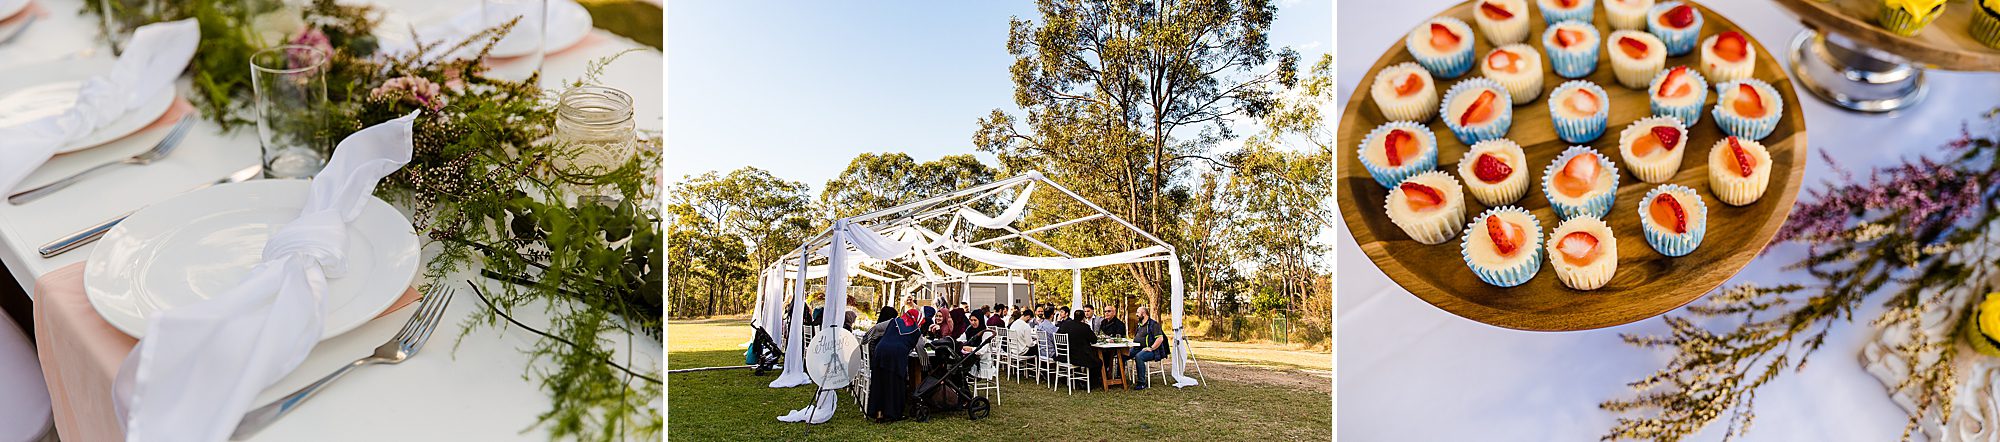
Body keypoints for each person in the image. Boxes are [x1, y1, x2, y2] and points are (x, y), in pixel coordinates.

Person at [868, 307, 923, 422]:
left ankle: (878, 413)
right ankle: (892, 413)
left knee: (879, 382)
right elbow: (920, 348)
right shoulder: (916, 331)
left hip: (880, 351)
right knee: (894, 384)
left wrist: (866, 338)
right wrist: (925, 362)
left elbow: (877, 327)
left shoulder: (894, 321)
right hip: (896, 356)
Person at [1055, 309, 1102, 390]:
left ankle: (1079, 380)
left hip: (1064, 356)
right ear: (1083, 318)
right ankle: (1089, 384)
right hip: (1077, 357)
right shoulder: (1085, 327)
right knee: (1098, 362)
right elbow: (1094, 340)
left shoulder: (1065, 325)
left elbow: (1057, 336)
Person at [1128, 306, 1169, 391]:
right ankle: (1119, 378)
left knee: (1139, 357)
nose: (1136, 314)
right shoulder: (1139, 324)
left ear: (1144, 314)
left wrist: (1151, 348)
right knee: (1124, 354)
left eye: (1138, 313)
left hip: (1152, 351)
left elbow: (1160, 338)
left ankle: (1141, 383)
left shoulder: (1154, 324)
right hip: (1137, 348)